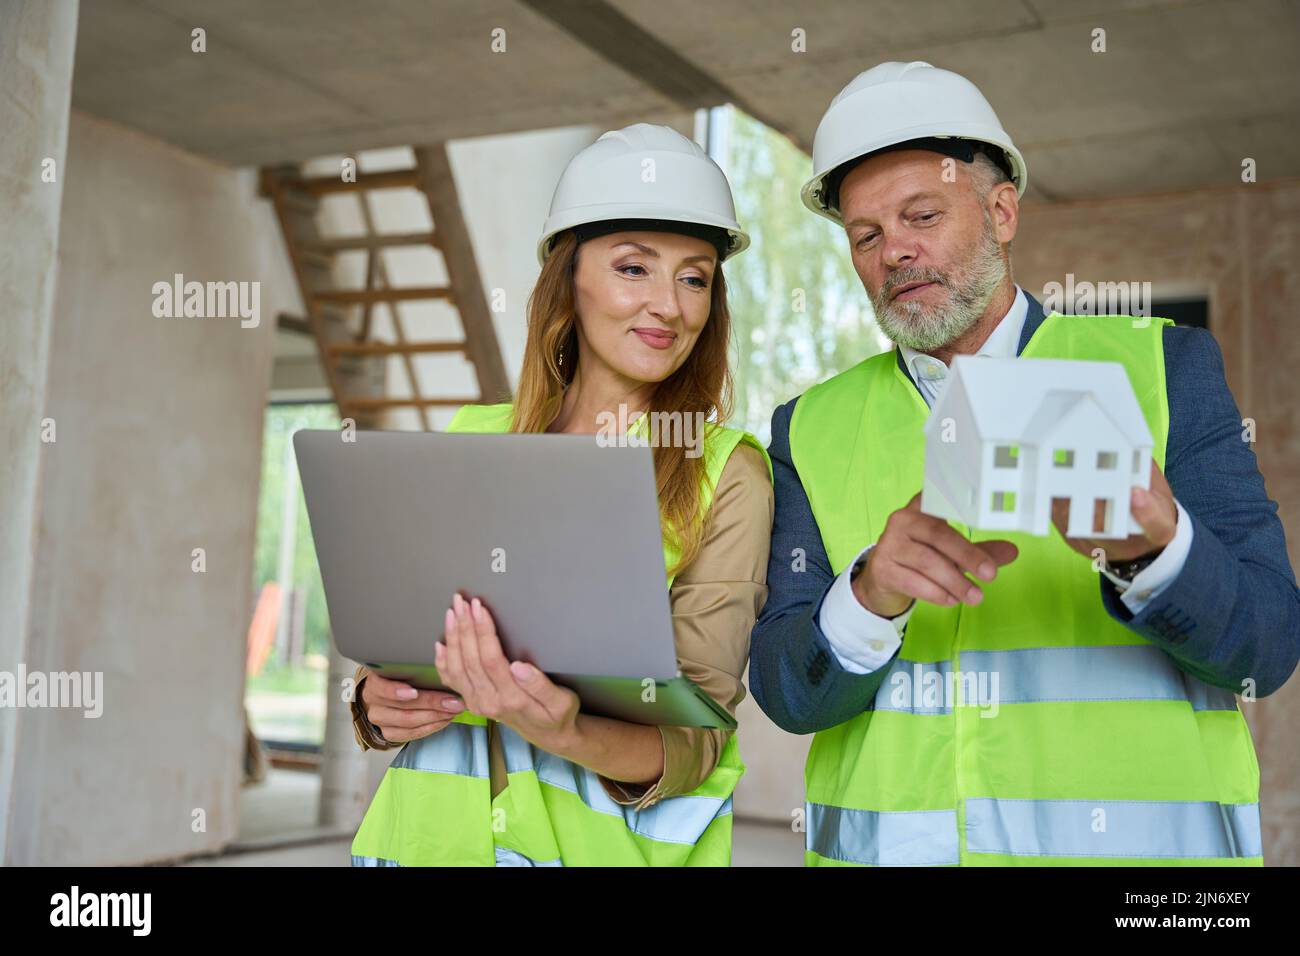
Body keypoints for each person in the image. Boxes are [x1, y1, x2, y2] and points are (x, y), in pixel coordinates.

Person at [749, 61, 1300, 865]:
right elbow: (786, 692)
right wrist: (869, 595)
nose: (894, 250)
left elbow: (1269, 645)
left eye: (922, 215)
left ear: (1002, 212)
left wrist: (1156, 548)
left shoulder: (1163, 370)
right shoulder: (809, 426)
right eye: (865, 236)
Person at [348, 124, 774, 866]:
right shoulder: (473, 436)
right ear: (566, 280)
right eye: (634, 268)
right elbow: (410, 646)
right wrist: (374, 704)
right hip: (423, 846)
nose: (670, 306)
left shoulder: (726, 470)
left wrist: (564, 730)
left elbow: (697, 738)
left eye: (695, 276)